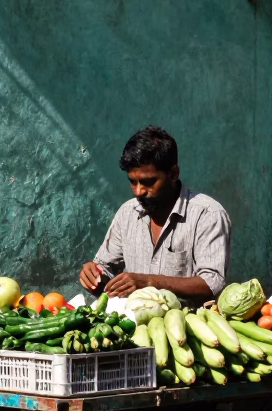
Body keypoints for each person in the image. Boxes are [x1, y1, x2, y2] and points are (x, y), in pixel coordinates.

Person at [79, 126, 231, 304]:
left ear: (173, 174)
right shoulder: (127, 213)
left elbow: (212, 283)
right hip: (133, 324)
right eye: (132, 182)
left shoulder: (208, 214)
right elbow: (105, 267)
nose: (138, 191)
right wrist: (94, 274)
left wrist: (150, 282)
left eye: (148, 182)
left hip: (186, 326)